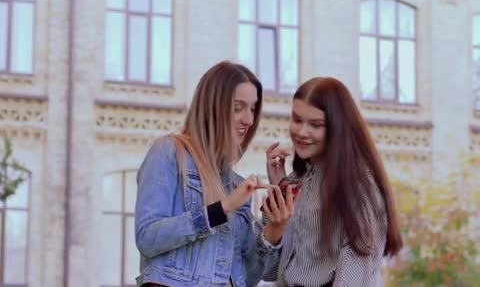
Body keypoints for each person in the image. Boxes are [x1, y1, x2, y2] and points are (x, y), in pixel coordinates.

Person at [134, 61, 296, 287]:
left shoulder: (236, 185)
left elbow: (247, 278)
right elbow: (147, 238)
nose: (249, 120)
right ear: (212, 107)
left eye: (252, 108)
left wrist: (274, 229)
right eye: (238, 107)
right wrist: (221, 208)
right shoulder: (169, 152)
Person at [263, 77, 403, 286]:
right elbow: (268, 271)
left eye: (316, 125)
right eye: (297, 119)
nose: (301, 132)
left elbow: (355, 272)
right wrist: (280, 190)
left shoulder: (360, 188)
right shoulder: (295, 181)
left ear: (337, 128)